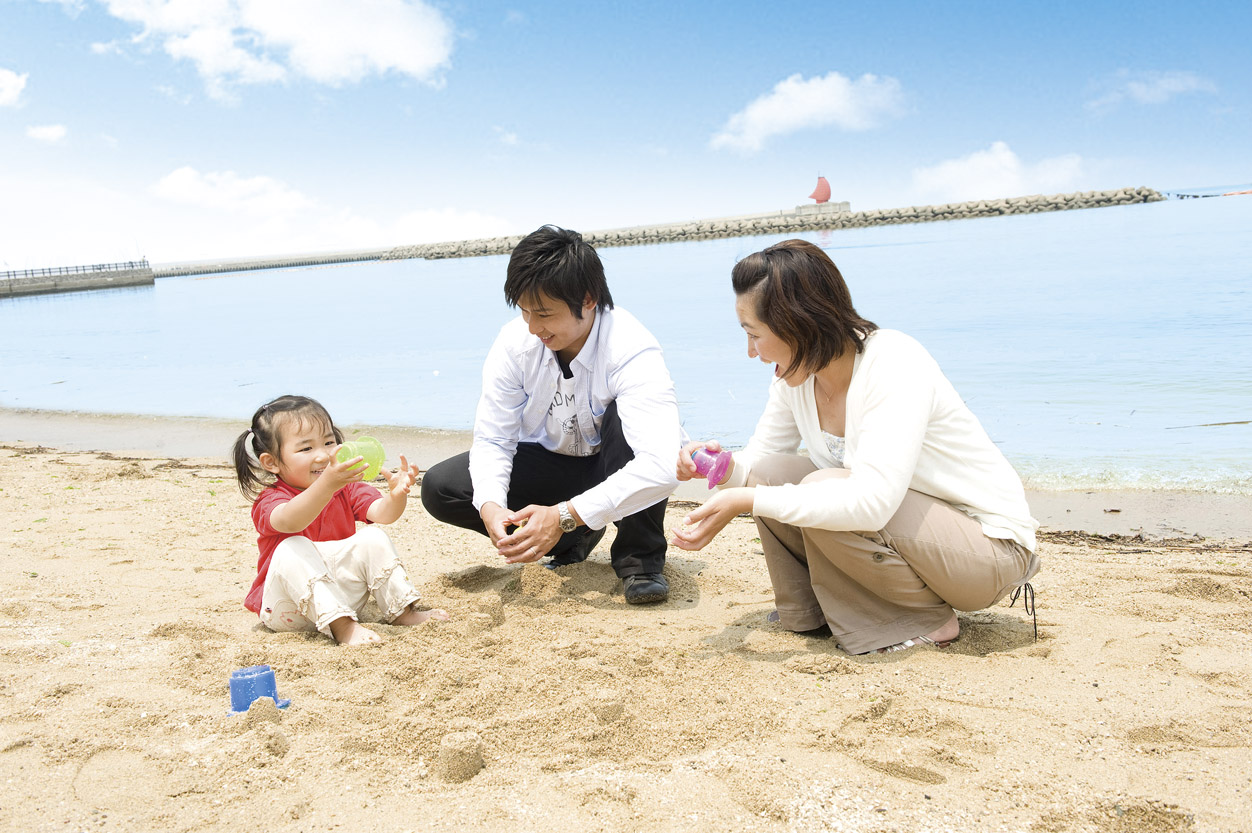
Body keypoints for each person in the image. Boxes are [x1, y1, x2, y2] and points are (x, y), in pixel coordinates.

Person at [671, 239, 1039, 654]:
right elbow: (758, 465)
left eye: (755, 335)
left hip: (986, 553)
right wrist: (716, 466)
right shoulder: (796, 376)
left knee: (823, 485)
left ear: (798, 323)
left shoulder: (894, 362)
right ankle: (813, 612)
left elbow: (872, 504)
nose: (751, 352)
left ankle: (924, 621)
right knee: (771, 475)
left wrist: (747, 501)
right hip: (915, 536)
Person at [421, 225, 681, 604]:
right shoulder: (515, 343)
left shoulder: (631, 347)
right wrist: (491, 505)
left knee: (625, 424)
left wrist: (565, 513)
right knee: (441, 487)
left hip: (612, 461)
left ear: (588, 299)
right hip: (554, 463)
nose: (532, 327)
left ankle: (639, 561)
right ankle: (574, 538)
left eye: (543, 313)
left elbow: (662, 465)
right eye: (524, 311)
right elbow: (494, 438)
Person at [232, 394, 449, 646]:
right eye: (306, 448)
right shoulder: (271, 499)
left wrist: (397, 496)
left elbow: (382, 514)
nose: (323, 455)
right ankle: (343, 629)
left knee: (372, 536)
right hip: (287, 608)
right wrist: (327, 483)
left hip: (342, 599)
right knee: (291, 546)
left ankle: (402, 612)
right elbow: (290, 522)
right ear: (272, 462)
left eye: (328, 442)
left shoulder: (345, 488)